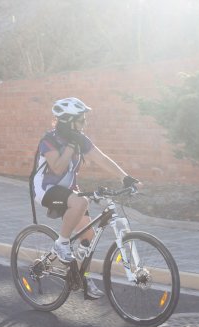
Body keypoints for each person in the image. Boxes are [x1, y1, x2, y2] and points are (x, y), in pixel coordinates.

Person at [32, 97, 138, 299]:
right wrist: (72, 145)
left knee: (88, 237)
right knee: (81, 202)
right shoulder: (49, 140)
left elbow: (102, 158)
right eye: (81, 120)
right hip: (46, 189)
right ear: (69, 121)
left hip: (69, 191)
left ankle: (81, 275)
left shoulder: (81, 139)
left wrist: (125, 177)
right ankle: (61, 243)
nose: (85, 123)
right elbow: (58, 167)